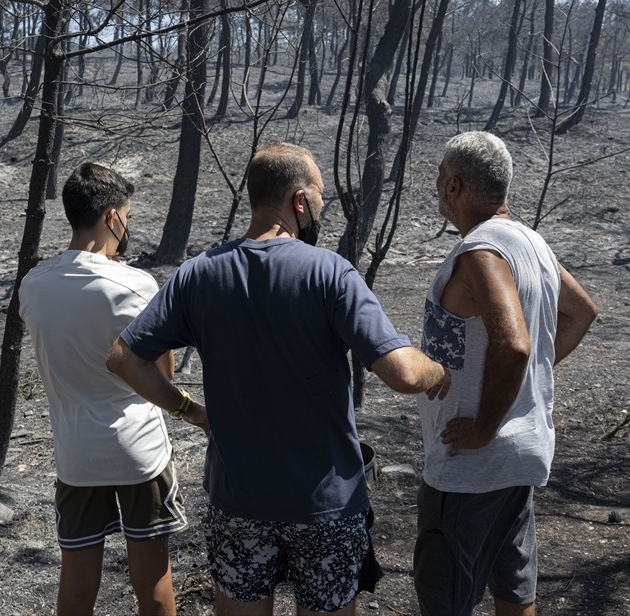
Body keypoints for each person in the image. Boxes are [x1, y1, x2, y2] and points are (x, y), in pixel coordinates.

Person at [107, 142, 450, 616]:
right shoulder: (331, 273)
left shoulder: (199, 274)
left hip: (238, 500)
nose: (322, 207)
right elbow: (406, 374)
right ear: (299, 201)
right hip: (326, 503)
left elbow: (123, 358)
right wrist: (439, 369)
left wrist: (191, 411)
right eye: (320, 196)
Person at [414, 131, 598, 616]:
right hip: (518, 455)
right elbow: (581, 313)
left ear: (454, 185)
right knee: (514, 592)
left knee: (445, 600)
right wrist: (525, 380)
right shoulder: (532, 242)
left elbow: (514, 346)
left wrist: (484, 427)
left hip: (471, 468)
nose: (437, 187)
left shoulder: (481, 252)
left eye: (440, 177)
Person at [18, 162, 187, 616]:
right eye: (126, 217)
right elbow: (163, 377)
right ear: (112, 218)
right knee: (152, 582)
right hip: (139, 451)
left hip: (76, 455)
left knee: (76, 584)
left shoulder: (33, 286)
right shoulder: (136, 284)